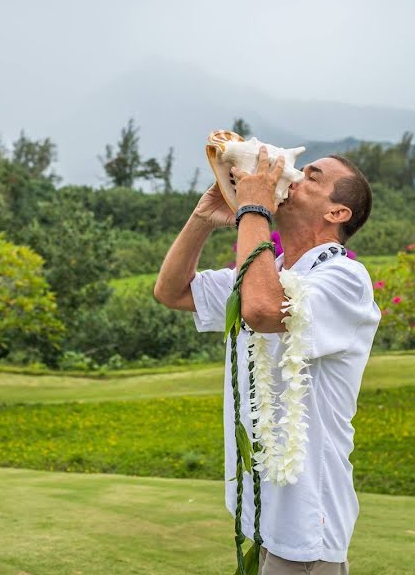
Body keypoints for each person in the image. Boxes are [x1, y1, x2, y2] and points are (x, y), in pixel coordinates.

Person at [154, 146, 380, 574]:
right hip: (264, 513)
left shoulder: (346, 278)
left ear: (338, 213)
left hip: (307, 524)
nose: (294, 176)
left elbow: (262, 310)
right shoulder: (268, 269)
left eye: (313, 177)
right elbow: (172, 292)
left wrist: (253, 207)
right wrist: (203, 217)